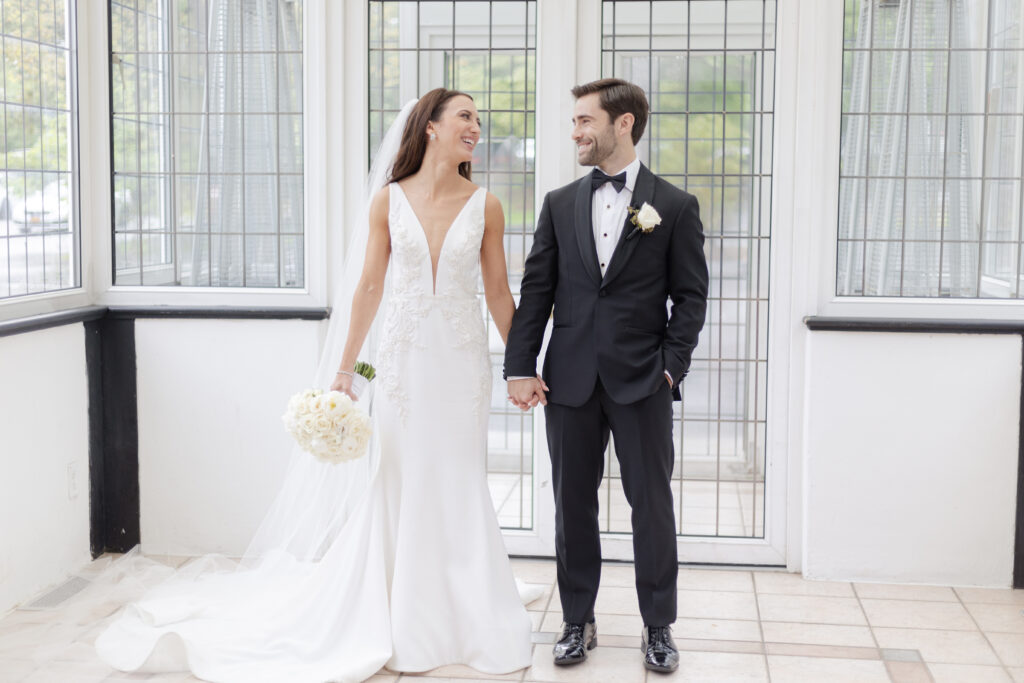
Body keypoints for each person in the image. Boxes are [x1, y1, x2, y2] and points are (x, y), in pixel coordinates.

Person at [94, 89, 537, 683]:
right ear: (429, 127)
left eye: (478, 121)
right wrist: (346, 371)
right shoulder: (388, 201)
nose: (476, 128)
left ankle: (465, 609)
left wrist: (522, 364)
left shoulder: (487, 205)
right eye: (465, 117)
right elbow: (369, 290)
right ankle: (400, 610)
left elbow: (499, 294)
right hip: (402, 368)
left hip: (461, 367)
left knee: (459, 477)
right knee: (402, 477)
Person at [504, 78, 709, 674]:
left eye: (584, 121)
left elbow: (690, 298)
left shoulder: (673, 206)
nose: (575, 132)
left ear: (624, 124)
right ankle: (576, 621)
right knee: (572, 506)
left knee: (651, 505)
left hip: (642, 379)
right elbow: (536, 290)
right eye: (573, 122)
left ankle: (658, 628)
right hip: (567, 380)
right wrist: (520, 365)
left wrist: (671, 368)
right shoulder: (559, 202)